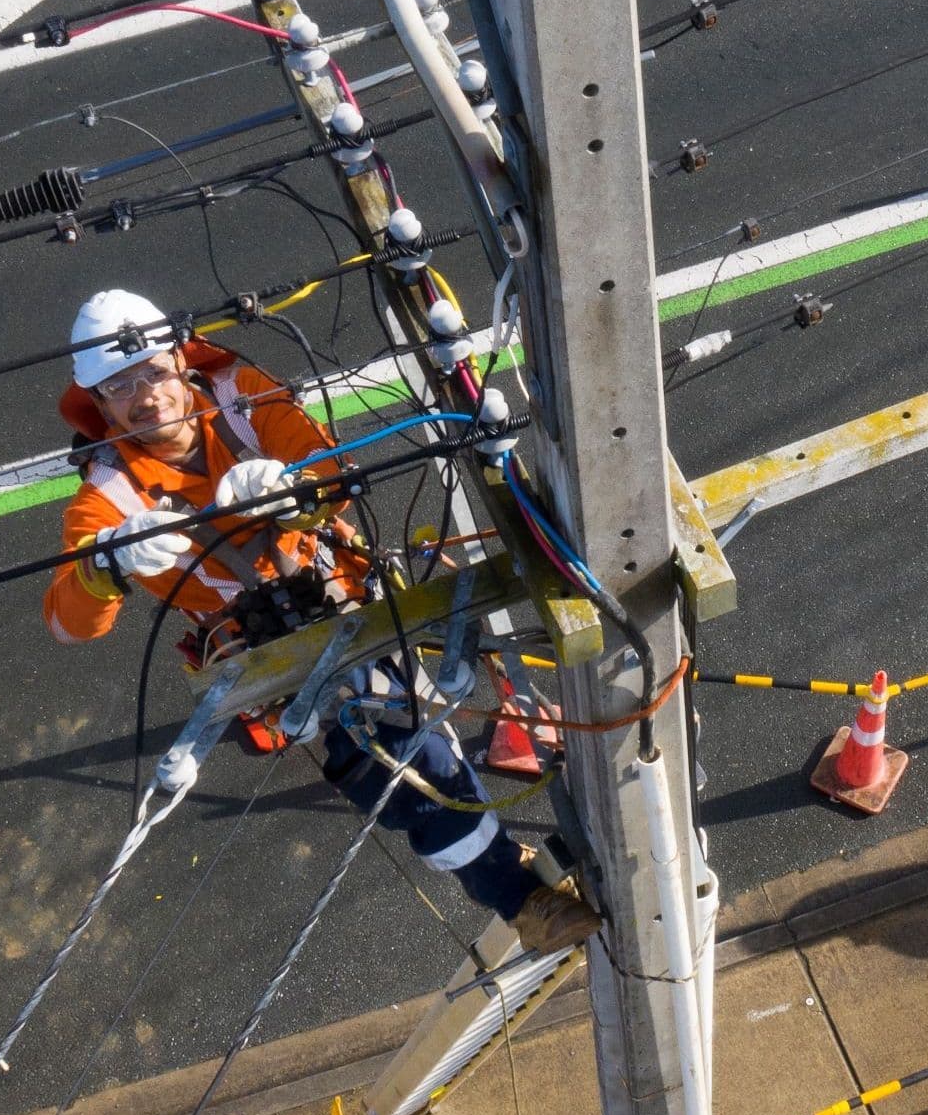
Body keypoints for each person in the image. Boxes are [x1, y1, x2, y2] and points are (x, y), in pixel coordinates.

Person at [41, 290, 600, 953]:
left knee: (395, 735)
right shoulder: (106, 498)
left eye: (154, 372)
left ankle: (512, 890)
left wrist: (293, 493)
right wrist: (105, 566)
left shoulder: (243, 402)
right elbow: (68, 625)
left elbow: (331, 469)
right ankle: (513, 894)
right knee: (385, 745)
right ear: (98, 405)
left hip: (338, 588)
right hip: (257, 642)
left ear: (179, 362)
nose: (145, 396)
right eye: (119, 386)